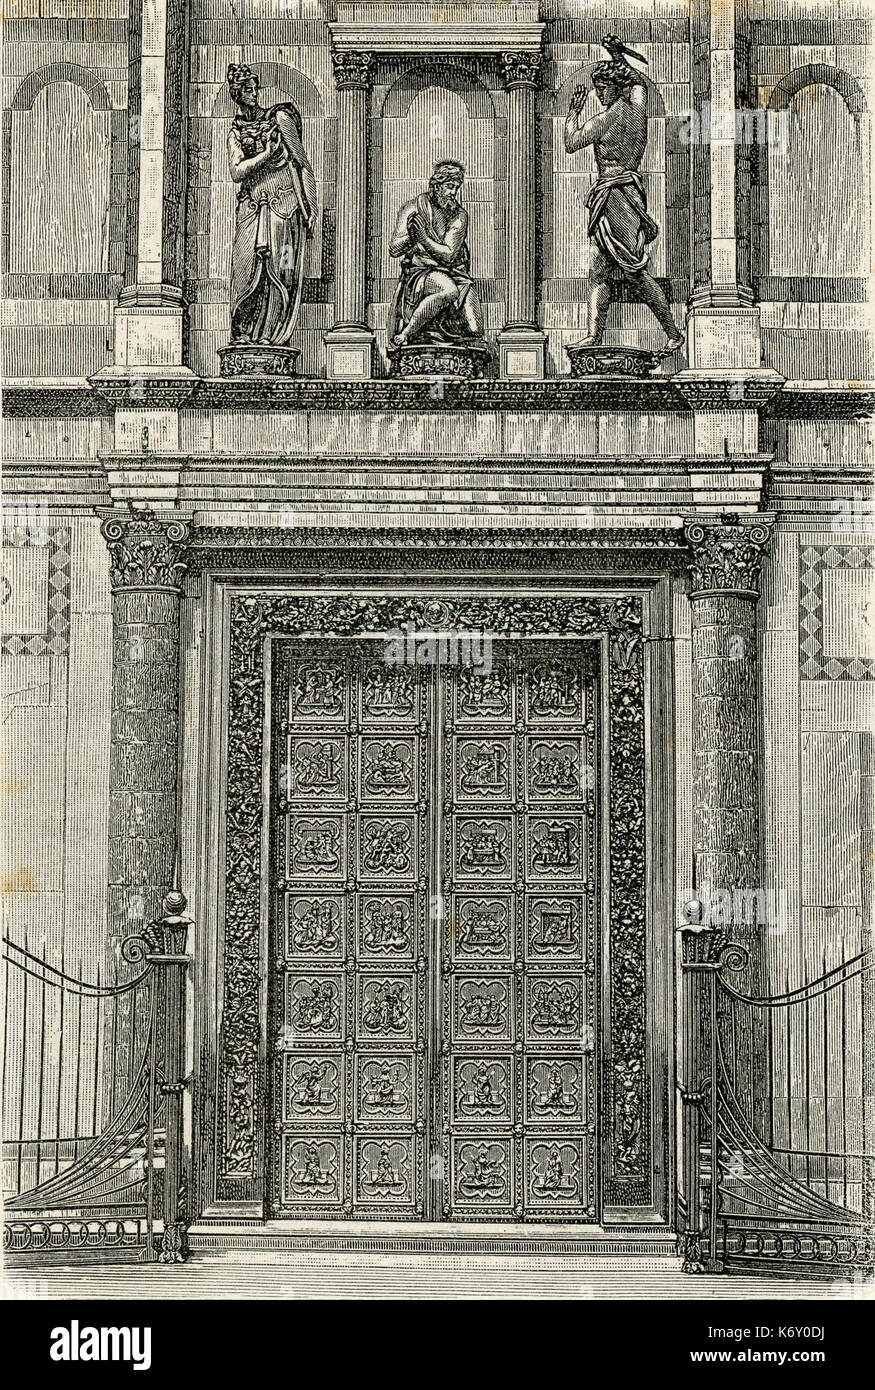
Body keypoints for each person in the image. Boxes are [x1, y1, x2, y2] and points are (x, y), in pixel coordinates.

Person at [564, 37, 683, 352]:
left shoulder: (605, 120)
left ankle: (672, 333)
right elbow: (637, 81)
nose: (599, 94)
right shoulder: (638, 109)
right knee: (601, 270)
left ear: (613, 88)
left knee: (635, 272)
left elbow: (571, 141)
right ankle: (595, 335)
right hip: (628, 193)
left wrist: (573, 113)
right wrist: (618, 56)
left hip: (615, 197)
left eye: (601, 88)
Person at [226, 64, 318, 347]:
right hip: (252, 206)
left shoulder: (279, 117)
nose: (254, 94)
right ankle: (244, 334)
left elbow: (302, 164)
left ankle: (271, 335)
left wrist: (311, 205)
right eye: (247, 90)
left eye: (255, 88)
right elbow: (237, 171)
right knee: (244, 270)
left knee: (281, 268)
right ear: (237, 94)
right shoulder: (236, 130)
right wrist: (266, 155)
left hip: (284, 204)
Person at [388, 160, 484, 349]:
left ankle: (438, 334)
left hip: (455, 272)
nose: (453, 192)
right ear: (436, 185)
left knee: (475, 329)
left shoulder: (459, 215)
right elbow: (394, 249)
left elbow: (448, 254)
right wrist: (412, 237)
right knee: (448, 291)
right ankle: (407, 333)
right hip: (423, 271)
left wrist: (423, 238)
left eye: (456, 187)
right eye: (449, 186)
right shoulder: (414, 208)